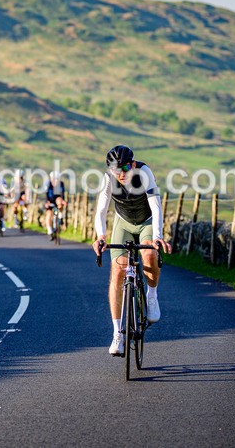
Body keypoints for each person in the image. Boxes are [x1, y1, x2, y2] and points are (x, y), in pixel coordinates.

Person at [92, 145, 172, 356]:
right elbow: (101, 210)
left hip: (146, 221)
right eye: (116, 169)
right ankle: (117, 333)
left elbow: (156, 207)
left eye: (126, 168)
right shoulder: (109, 178)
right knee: (118, 271)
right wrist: (101, 236)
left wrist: (157, 237)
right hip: (124, 223)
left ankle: (152, 295)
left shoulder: (144, 173)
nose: (121, 174)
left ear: (133, 164)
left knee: (148, 254)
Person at [45, 171, 67, 240]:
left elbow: (62, 194)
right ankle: (50, 231)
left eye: (56, 179)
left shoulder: (61, 184)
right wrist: (47, 202)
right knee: (49, 215)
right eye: (53, 179)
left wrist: (63, 201)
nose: (55, 180)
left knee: (60, 202)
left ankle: (60, 216)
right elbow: (46, 194)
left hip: (57, 199)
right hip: (50, 200)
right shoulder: (48, 184)